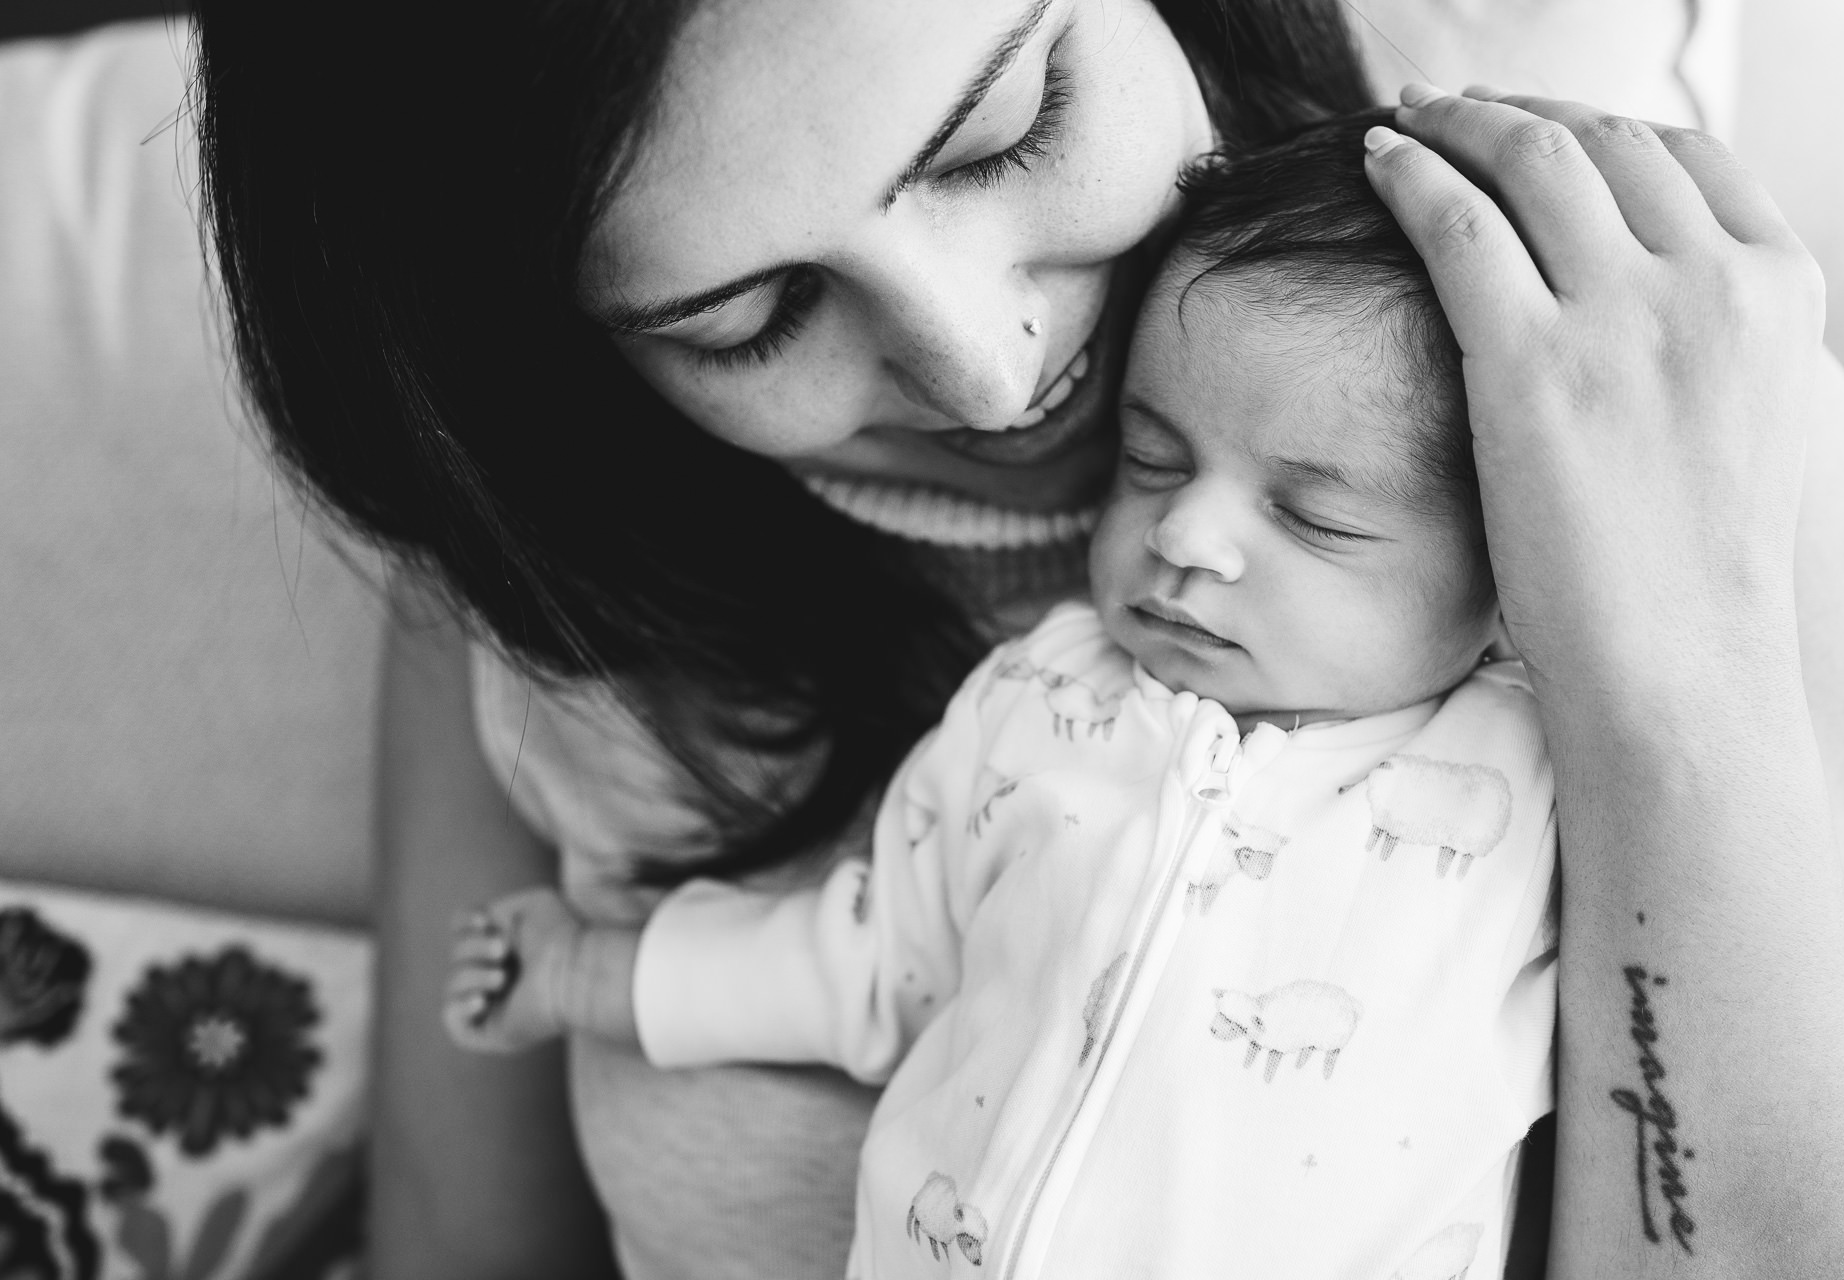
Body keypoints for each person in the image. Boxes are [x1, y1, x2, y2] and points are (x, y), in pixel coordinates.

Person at [192, 0, 1844, 1275]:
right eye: (750, 315)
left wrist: (1651, 694)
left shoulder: (1666, 426)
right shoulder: (557, 588)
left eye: (1008, 128)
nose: (987, 370)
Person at [445, 112, 1565, 1280]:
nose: (1184, 531)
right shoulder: (1039, 699)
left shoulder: (1536, 775)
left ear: (1509, 571)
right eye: (1153, 460)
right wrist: (593, 973)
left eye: (1313, 517)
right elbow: (870, 958)